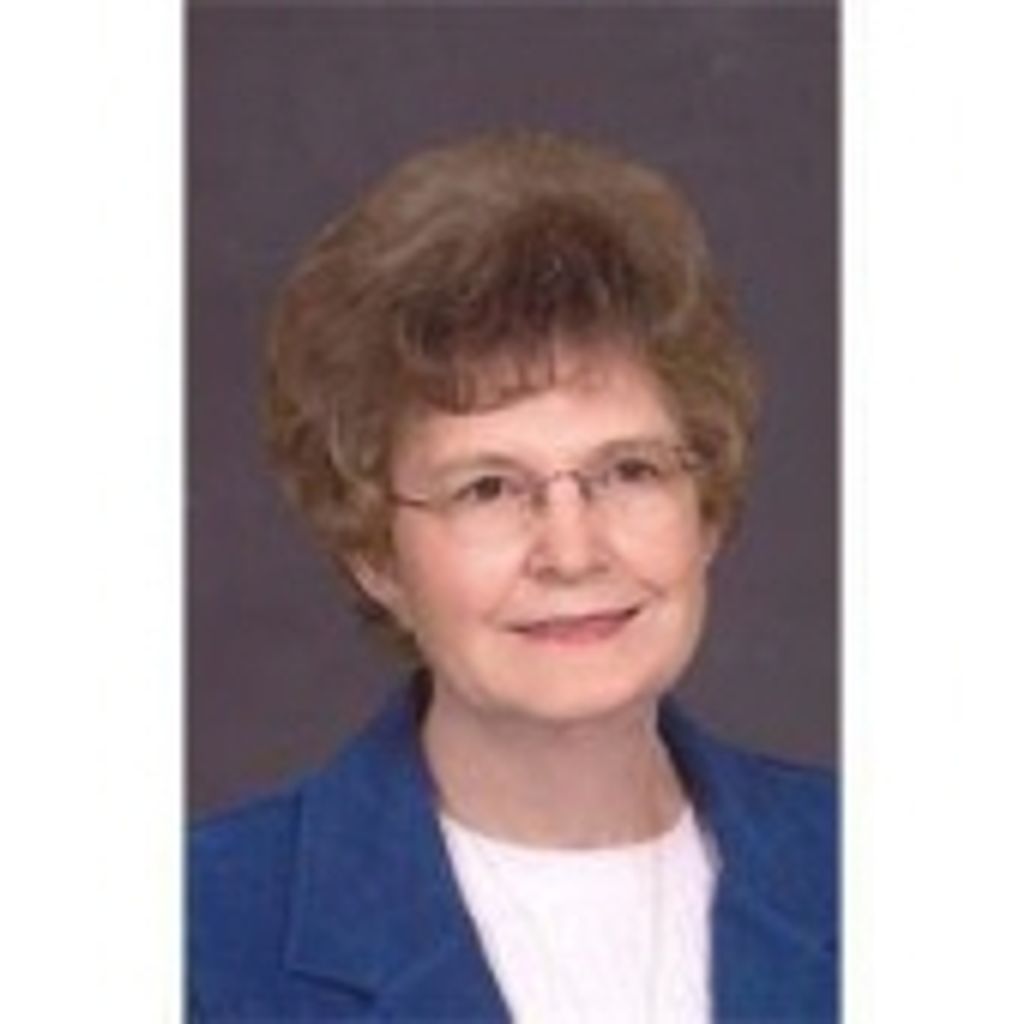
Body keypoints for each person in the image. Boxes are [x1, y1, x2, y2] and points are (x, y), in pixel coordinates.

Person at [189, 131, 837, 1023]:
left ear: (708, 509)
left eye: (630, 471)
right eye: (487, 488)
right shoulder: (202, 938)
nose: (572, 552)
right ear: (375, 552)